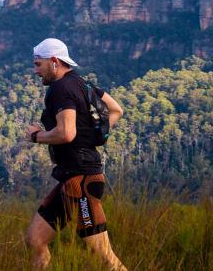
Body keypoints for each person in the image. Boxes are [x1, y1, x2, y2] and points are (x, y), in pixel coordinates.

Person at [24, 38, 127, 271]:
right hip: (70, 179)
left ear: (54, 62)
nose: (35, 71)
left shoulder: (60, 88)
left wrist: (36, 136)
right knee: (35, 239)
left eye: (38, 65)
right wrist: (92, 137)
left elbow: (66, 133)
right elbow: (116, 110)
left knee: (104, 255)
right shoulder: (83, 84)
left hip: (82, 180)